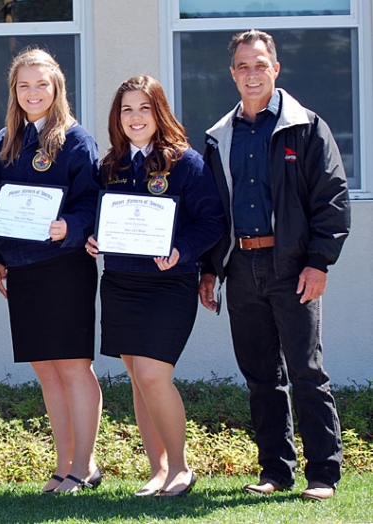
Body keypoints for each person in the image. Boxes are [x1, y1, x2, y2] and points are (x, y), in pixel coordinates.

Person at [198, 29, 350, 502]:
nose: (251, 73)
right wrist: (210, 270)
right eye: (242, 66)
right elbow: (212, 212)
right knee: (261, 375)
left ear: (276, 68)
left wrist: (318, 262)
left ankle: (323, 474)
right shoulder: (219, 137)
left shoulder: (306, 127)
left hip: (292, 268)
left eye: (260, 64)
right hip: (240, 267)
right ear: (232, 73)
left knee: (306, 371)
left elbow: (332, 201)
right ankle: (275, 471)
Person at [86, 76, 224, 497]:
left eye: (144, 108)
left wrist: (182, 250)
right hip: (121, 282)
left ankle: (181, 468)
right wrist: (92, 238)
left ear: (159, 111)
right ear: (118, 117)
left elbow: (213, 222)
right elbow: (100, 217)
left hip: (169, 285)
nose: (135, 117)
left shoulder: (186, 163)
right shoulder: (111, 165)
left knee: (152, 373)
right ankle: (157, 470)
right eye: (127, 109)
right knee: (137, 378)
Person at [0, 48, 103, 494]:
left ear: (56, 88)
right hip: (22, 269)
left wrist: (71, 226)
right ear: (14, 92)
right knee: (46, 370)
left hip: (64, 266)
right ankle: (63, 464)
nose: (32, 92)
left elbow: (92, 200)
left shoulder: (76, 140)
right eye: (24, 85)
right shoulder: (7, 139)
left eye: (41, 84)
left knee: (74, 366)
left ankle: (84, 464)